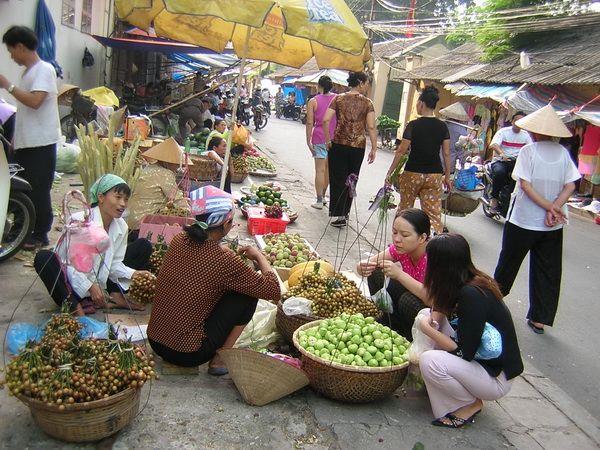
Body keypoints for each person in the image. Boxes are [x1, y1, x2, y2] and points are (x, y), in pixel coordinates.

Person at [147, 186, 281, 374]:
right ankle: (219, 360)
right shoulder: (223, 260)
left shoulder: (179, 240)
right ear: (226, 223)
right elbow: (273, 289)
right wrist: (259, 256)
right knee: (247, 296)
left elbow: (201, 267)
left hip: (156, 341)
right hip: (187, 353)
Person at [418, 233, 523, 428]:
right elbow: (440, 307)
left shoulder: (472, 295)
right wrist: (433, 319)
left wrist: (427, 328)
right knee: (426, 314)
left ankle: (468, 403)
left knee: (429, 361)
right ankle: (448, 388)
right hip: (481, 361)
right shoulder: (469, 279)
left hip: (495, 378)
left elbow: (464, 352)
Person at [494, 105, 580, 334]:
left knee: (508, 264)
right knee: (548, 270)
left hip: (523, 219)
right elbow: (571, 184)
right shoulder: (563, 153)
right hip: (551, 224)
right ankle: (540, 319)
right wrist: (555, 207)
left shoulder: (528, 151)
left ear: (534, 131)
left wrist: (548, 207)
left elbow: (524, 184)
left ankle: (492, 303)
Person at [34, 175, 153, 316]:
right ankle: (74, 306)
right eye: (118, 197)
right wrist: (89, 286)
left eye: (126, 199)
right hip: (72, 283)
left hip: (101, 281)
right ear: (101, 197)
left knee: (143, 245)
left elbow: (114, 264)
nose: (123, 204)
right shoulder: (80, 221)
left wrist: (134, 274)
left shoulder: (121, 226)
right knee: (43, 258)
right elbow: (66, 263)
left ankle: (113, 295)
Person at [1, 26, 61, 249]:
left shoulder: (44, 69)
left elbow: (35, 102)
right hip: (27, 142)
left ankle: (40, 233)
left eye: (11, 50)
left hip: (42, 142)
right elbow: (24, 111)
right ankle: (21, 230)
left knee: (39, 189)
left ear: (20, 46)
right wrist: (15, 140)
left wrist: (8, 85)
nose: (11, 56)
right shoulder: (27, 72)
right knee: (23, 189)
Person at [385, 86, 451, 235]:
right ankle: (435, 245)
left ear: (421, 103)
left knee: (405, 209)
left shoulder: (413, 125)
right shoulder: (443, 126)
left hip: (412, 173)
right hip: (434, 175)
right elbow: (446, 153)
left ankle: (400, 241)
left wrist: (391, 172)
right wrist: (447, 176)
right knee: (433, 214)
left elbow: (401, 150)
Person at [356, 209, 431, 339]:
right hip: (406, 300)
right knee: (376, 271)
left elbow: (432, 299)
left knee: (406, 300)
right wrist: (361, 267)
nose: (397, 239)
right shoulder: (401, 249)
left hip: (429, 314)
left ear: (422, 238)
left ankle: (408, 335)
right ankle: (387, 319)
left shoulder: (432, 258)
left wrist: (399, 275)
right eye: (394, 232)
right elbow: (371, 262)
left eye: (405, 235)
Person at [323, 71, 377, 228]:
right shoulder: (368, 103)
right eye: (366, 83)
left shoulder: (338, 99)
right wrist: (374, 148)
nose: (367, 86)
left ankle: (339, 214)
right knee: (352, 179)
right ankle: (346, 213)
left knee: (338, 178)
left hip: (338, 144)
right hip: (357, 147)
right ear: (360, 82)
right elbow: (371, 126)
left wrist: (328, 139)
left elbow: (326, 120)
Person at [126, 138, 191, 233]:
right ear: (168, 162)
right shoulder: (165, 174)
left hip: (129, 220)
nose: (177, 167)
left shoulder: (147, 168)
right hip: (144, 223)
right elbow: (177, 199)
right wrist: (188, 212)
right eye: (176, 164)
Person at [488, 111, 532, 213]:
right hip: (501, 161)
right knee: (500, 173)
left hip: (516, 163)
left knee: (521, 178)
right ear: (512, 121)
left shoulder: (526, 135)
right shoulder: (503, 132)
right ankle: (494, 199)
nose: (518, 122)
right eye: (516, 120)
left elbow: (531, 149)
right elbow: (494, 144)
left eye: (521, 121)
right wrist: (502, 154)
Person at [305, 75, 336, 209]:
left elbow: (310, 122)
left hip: (318, 137)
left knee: (320, 170)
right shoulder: (337, 99)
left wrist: (308, 140)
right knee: (329, 169)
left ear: (319, 86)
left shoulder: (313, 101)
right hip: (334, 138)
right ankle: (323, 196)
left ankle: (318, 200)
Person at [439, 102, 470, 173]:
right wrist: (462, 167)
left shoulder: (441, 126)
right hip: (449, 164)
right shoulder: (462, 131)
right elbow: (461, 152)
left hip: (436, 162)